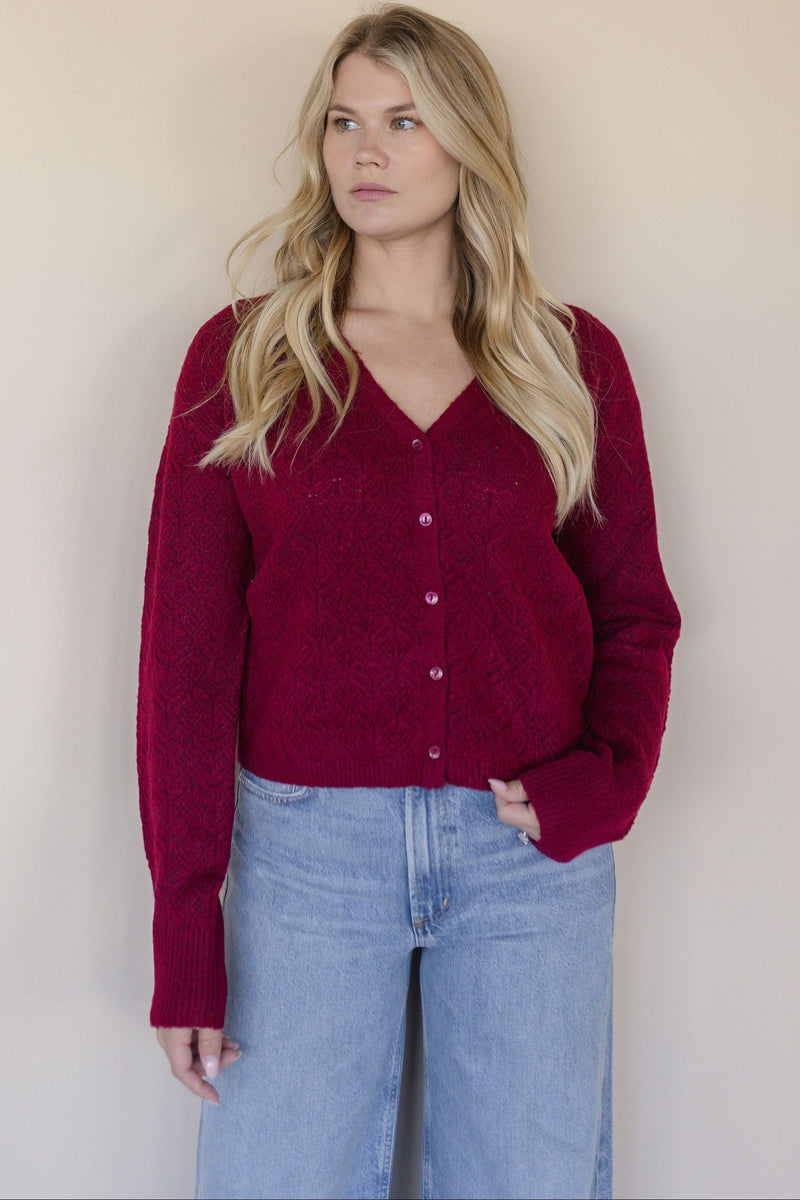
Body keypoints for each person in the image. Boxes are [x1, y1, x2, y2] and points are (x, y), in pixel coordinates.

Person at [136, 5, 681, 1198]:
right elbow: (184, 659)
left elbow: (633, 610)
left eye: (402, 122)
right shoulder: (247, 359)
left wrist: (605, 781)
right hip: (306, 857)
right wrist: (185, 934)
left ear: (468, 143)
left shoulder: (567, 359)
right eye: (343, 123)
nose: (364, 152)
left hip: (526, 853)